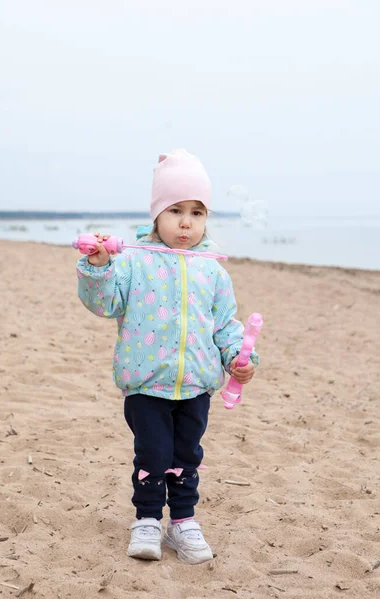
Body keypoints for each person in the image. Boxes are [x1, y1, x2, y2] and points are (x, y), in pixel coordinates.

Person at [76, 149, 259, 564]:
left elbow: (225, 325)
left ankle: (182, 522)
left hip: (196, 383)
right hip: (146, 380)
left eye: (197, 212)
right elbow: (104, 303)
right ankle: (145, 519)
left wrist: (237, 358)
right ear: (156, 214)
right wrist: (99, 266)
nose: (186, 222)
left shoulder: (212, 270)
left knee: (187, 455)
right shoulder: (134, 261)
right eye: (175, 210)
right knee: (153, 453)